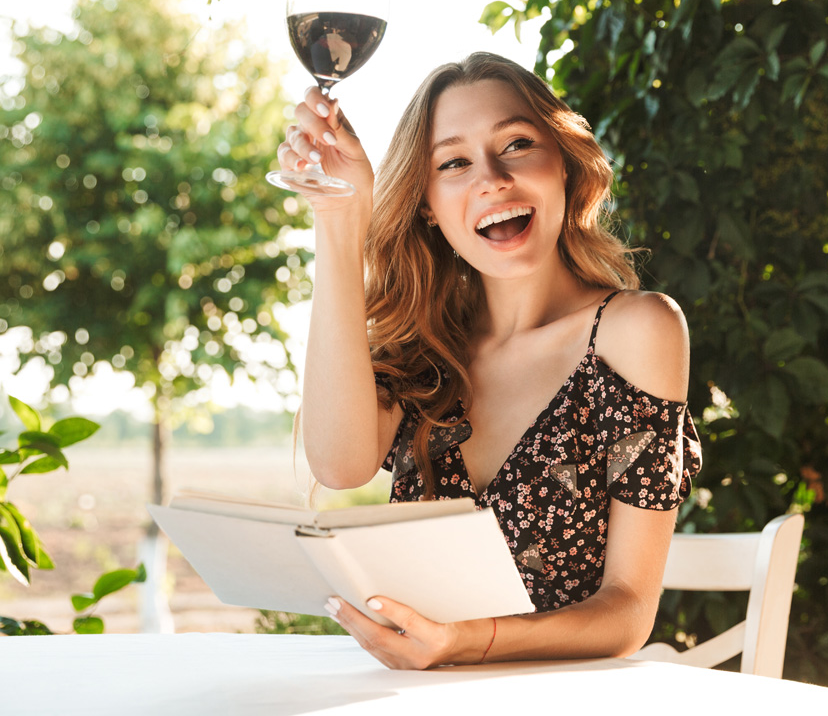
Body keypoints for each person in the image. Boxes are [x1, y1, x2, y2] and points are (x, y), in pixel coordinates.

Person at [275, 52, 702, 670]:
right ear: (427, 204)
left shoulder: (635, 331)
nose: (492, 178)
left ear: (564, 166)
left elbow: (628, 611)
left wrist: (463, 641)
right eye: (454, 162)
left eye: (518, 144)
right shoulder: (423, 350)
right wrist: (339, 217)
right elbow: (339, 466)